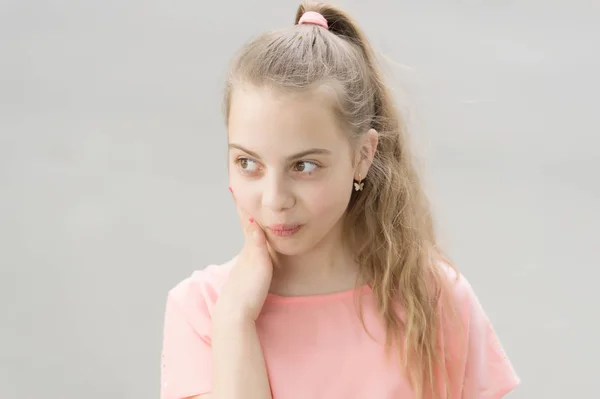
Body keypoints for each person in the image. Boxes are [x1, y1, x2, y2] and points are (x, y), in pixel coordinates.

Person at [160, 2, 520, 398]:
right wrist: (235, 323)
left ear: (363, 156)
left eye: (305, 166)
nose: (274, 199)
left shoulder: (433, 299)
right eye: (248, 163)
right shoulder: (201, 310)